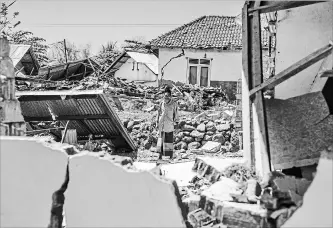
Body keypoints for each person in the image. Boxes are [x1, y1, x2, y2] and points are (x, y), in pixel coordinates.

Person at [156, 86, 179, 160]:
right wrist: (157, 122)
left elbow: (176, 114)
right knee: (160, 141)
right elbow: (158, 113)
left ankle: (169, 157)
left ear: (170, 96)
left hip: (169, 125)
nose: (165, 97)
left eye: (167, 96)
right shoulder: (161, 103)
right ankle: (160, 156)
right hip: (161, 125)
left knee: (168, 141)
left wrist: (176, 123)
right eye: (165, 96)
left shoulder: (174, 104)